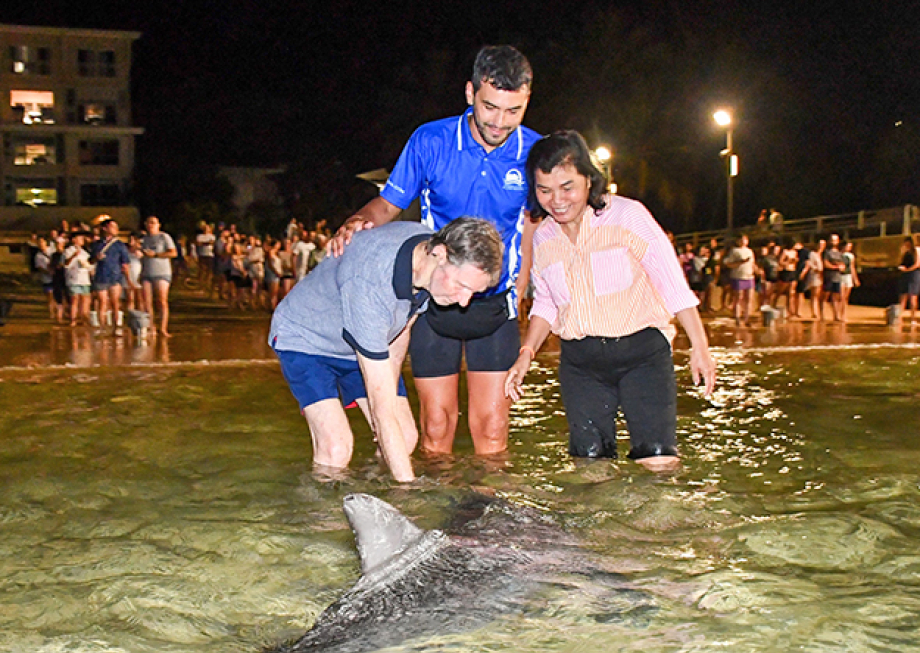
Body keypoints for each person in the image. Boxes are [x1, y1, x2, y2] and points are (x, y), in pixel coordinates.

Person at [332, 45, 539, 458]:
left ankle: (489, 519)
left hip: (495, 306)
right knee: (436, 427)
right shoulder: (430, 140)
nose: (500, 122)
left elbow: (535, 223)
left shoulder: (535, 152)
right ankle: (435, 516)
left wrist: (524, 287)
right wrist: (357, 220)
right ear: (469, 93)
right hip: (434, 304)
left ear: (527, 102)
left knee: (493, 429)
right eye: (490, 107)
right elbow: (389, 204)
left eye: (513, 111)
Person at [504, 130, 716, 472]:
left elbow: (672, 284)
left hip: (643, 355)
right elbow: (547, 302)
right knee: (590, 469)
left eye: (567, 187)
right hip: (581, 364)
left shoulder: (628, 216)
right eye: (544, 190)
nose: (556, 200)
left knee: (658, 462)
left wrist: (700, 346)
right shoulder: (543, 236)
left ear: (589, 178)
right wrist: (526, 354)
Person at [269, 217, 503, 482]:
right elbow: (382, 410)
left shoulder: (426, 260)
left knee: (404, 436)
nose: (463, 302)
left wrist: (388, 393)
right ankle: (322, 518)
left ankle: (372, 491)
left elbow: (403, 324)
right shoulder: (371, 283)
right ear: (439, 253)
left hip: (358, 338)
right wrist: (408, 492)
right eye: (461, 286)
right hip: (306, 338)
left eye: (473, 292)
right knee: (336, 448)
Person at [90, 218, 132, 332]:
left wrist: (128, 279)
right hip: (101, 276)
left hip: (115, 276)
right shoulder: (96, 244)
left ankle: (115, 328)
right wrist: (96, 258)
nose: (116, 229)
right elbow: (90, 261)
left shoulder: (120, 245)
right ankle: (102, 327)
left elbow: (125, 263)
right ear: (105, 228)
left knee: (115, 303)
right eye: (113, 226)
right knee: (102, 303)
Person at [140, 216, 178, 337]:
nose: (151, 225)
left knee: (161, 300)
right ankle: (152, 327)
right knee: (147, 302)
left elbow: (173, 252)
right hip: (146, 272)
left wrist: (156, 254)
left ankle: (163, 328)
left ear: (158, 225)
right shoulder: (144, 239)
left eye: (153, 223)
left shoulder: (164, 237)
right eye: (148, 223)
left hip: (162, 272)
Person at [724, 234, 756, 325]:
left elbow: (752, 263)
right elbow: (727, 263)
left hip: (749, 276)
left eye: (745, 239)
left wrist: (757, 271)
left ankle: (747, 317)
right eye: (741, 240)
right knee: (738, 297)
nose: (743, 241)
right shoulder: (734, 251)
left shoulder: (750, 251)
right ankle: (737, 316)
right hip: (738, 276)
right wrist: (740, 262)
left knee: (749, 298)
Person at [63, 232, 93, 327]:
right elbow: (66, 264)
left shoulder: (85, 253)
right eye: (80, 239)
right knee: (74, 299)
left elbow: (89, 265)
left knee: (85, 300)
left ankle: (83, 318)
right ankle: (73, 319)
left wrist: (88, 266)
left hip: (84, 279)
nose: (82, 241)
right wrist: (74, 256)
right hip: (73, 279)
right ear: (74, 240)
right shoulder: (68, 251)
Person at [821, 233, 846, 322]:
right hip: (829, 277)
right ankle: (822, 315)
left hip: (837, 277)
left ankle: (836, 315)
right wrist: (836, 267)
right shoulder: (827, 252)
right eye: (832, 240)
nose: (834, 242)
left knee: (836, 297)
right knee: (825, 296)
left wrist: (842, 267)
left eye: (835, 240)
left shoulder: (839, 254)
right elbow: (825, 264)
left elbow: (843, 265)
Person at [897, 235, 920, 325]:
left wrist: (908, 269)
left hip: (914, 274)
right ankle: (899, 317)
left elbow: (917, 264)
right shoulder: (905, 252)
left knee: (913, 297)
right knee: (903, 296)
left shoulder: (917, 251)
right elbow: (901, 262)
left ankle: (913, 318)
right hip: (905, 274)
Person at [840, 240, 860, 322]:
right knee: (841, 296)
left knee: (846, 297)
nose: (849, 248)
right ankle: (839, 314)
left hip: (848, 276)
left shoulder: (851, 256)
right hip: (840, 276)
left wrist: (855, 279)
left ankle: (844, 314)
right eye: (848, 246)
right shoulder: (839, 254)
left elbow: (852, 267)